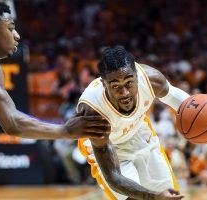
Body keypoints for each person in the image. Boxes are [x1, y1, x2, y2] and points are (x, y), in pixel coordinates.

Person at [0, 2, 110, 200]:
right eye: (11, 29)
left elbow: (15, 120)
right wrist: (66, 131)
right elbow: (13, 125)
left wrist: (63, 127)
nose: (17, 36)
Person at [77, 46, 192, 200]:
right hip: (107, 146)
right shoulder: (93, 113)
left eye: (129, 83)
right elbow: (114, 177)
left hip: (138, 133)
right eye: (115, 86)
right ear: (104, 84)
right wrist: (153, 197)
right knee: (132, 198)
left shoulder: (152, 80)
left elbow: (187, 105)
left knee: (170, 195)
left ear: (137, 77)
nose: (124, 92)